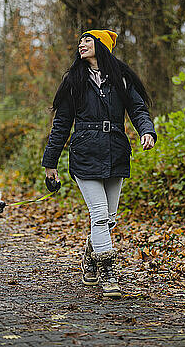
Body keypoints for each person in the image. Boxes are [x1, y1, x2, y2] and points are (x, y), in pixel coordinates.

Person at [41, 29, 157, 298]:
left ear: (102, 46)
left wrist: (146, 131)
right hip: (84, 153)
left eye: (88, 40)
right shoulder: (74, 81)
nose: (81, 44)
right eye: (80, 41)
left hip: (116, 151)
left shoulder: (121, 79)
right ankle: (108, 273)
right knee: (100, 213)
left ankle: (90, 257)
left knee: (110, 219)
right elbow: (61, 125)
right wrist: (51, 163)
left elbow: (138, 110)